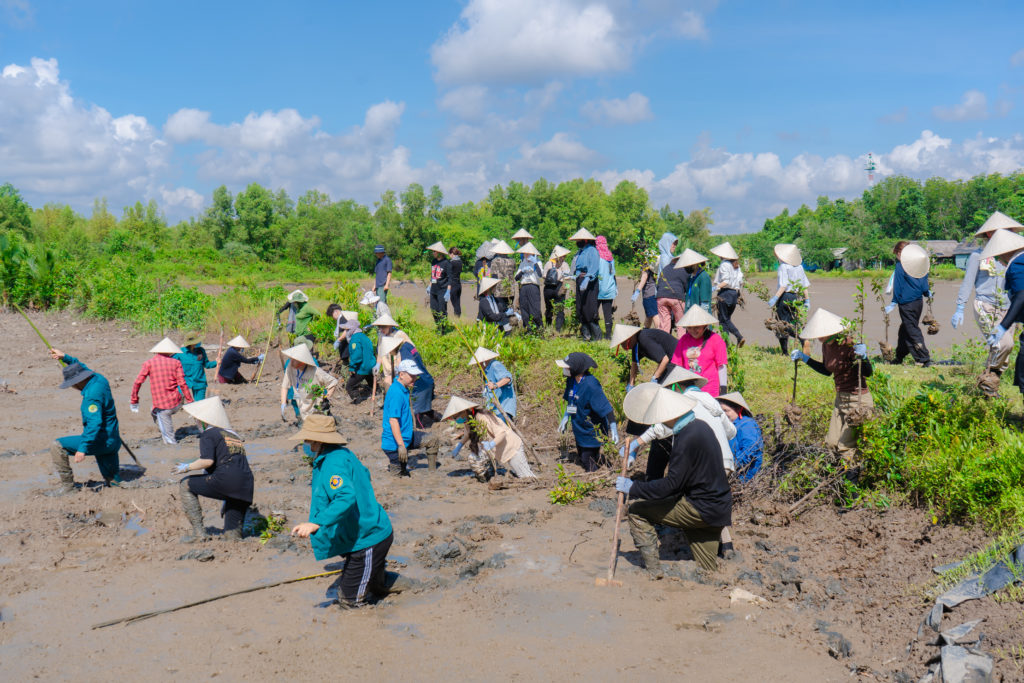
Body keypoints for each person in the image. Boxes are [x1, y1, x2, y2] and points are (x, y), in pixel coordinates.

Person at [290, 414, 408, 609]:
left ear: (318, 441)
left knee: (349, 600)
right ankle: (389, 581)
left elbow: (345, 496)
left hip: (369, 539)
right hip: (365, 532)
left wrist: (316, 523)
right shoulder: (341, 454)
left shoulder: (332, 462)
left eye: (307, 440)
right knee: (375, 584)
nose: (305, 445)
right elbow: (365, 475)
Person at [617, 383, 731, 575]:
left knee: (637, 511)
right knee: (707, 572)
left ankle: (653, 572)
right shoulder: (698, 426)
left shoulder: (686, 438)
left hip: (700, 508)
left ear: (669, 416)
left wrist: (634, 487)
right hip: (718, 509)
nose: (658, 422)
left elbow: (671, 485)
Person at [790, 308, 873, 464]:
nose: (819, 337)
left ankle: (850, 485)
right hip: (840, 400)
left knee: (845, 447)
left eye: (822, 333)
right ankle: (836, 480)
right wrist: (805, 358)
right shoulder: (826, 345)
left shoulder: (849, 343)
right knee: (831, 444)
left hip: (858, 400)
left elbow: (868, 373)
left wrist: (865, 357)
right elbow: (827, 370)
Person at [952, 211, 1023, 391]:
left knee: (1006, 347)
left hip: (1009, 308)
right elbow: (968, 282)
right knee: (1002, 344)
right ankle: (989, 380)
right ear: (990, 234)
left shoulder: (1016, 257)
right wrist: (960, 306)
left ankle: (990, 381)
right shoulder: (978, 255)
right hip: (986, 305)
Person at [173, 396, 253, 542]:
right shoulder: (233, 435)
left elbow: (207, 461)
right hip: (245, 486)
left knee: (185, 484)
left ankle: (199, 534)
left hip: (227, 480)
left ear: (204, 421)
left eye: (197, 420)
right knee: (232, 538)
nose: (196, 422)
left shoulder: (208, 434)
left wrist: (186, 468)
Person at [48, 349, 123, 492]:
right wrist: (66, 357)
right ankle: (114, 482)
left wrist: (82, 449)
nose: (73, 387)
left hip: (102, 441)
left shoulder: (91, 396)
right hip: (113, 439)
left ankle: (68, 488)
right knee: (114, 484)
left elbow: (94, 424)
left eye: (72, 384)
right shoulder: (99, 379)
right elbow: (82, 367)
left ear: (79, 381)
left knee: (56, 446)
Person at [441, 397, 535, 482]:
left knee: (526, 477)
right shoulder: (469, 420)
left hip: (511, 447)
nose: (456, 419)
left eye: (456, 416)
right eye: (454, 418)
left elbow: (501, 433)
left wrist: (491, 444)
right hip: (495, 450)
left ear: (465, 411)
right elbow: (467, 435)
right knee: (474, 458)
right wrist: (458, 447)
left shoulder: (482, 417)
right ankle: (486, 479)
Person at [556, 352, 619, 471]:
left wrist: (614, 428)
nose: (564, 370)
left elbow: (606, 408)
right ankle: (596, 465)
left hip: (592, 431)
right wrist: (565, 417)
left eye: (566, 367)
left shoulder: (591, 385)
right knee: (582, 456)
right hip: (579, 428)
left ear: (576, 368)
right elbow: (571, 402)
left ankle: (596, 480)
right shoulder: (571, 381)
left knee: (587, 461)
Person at [981, 230, 1024, 398]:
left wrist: (1002, 326)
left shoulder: (1018, 264)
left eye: (998, 255)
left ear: (1006, 252)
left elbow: (1022, 296)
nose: (998, 260)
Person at [380, 359, 441, 476]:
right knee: (399, 477)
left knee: (432, 440)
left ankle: (432, 474)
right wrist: (401, 446)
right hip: (394, 444)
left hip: (407, 436)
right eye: (412, 376)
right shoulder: (396, 393)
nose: (415, 378)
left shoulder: (403, 387)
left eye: (416, 376)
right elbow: (393, 421)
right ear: (401, 374)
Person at [131, 337, 193, 445]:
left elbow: (137, 382)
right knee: (153, 411)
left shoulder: (149, 363)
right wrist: (190, 401)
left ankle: (169, 440)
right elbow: (182, 384)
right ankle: (165, 428)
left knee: (170, 441)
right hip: (177, 401)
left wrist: (134, 400)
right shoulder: (176, 363)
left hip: (163, 407)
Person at [885, 242, 932, 367]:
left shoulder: (901, 266)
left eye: (896, 254)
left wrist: (894, 301)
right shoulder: (918, 266)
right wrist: (927, 292)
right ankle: (899, 356)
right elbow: (924, 282)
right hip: (918, 302)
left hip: (906, 303)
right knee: (905, 329)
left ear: (900, 253)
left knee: (912, 330)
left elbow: (898, 285)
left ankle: (924, 358)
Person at [378, 333, 436, 427]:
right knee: (425, 409)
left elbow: (408, 369)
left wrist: (397, 374)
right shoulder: (408, 346)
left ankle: (419, 433)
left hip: (420, 385)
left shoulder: (404, 351)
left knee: (416, 416)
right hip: (426, 380)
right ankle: (443, 419)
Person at [670, 307, 729, 397]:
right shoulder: (684, 340)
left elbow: (721, 367)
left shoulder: (715, 340)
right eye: (690, 328)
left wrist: (723, 389)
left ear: (705, 325)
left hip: (709, 391)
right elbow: (677, 365)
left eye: (697, 327)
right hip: (688, 390)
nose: (693, 331)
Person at [280, 344, 340, 423]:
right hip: (301, 404)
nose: (291, 362)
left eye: (294, 360)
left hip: (316, 408)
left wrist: (326, 399)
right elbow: (285, 386)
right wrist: (283, 404)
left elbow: (333, 382)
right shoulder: (290, 368)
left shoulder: (315, 371)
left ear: (301, 362)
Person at [768, 243, 810, 354]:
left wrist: (775, 298)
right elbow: (804, 285)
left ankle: (785, 351)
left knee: (782, 324)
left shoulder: (783, 267)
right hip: (796, 297)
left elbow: (784, 285)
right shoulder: (799, 267)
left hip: (785, 296)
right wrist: (807, 300)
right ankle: (802, 338)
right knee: (793, 322)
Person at [610, 324, 677, 389]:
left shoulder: (644, 339)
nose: (623, 346)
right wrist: (631, 384)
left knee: (662, 388)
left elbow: (665, 359)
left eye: (624, 343)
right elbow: (634, 363)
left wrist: (654, 378)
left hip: (676, 357)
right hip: (669, 360)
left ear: (630, 337)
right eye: (621, 344)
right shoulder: (635, 344)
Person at [718, 392, 763, 482]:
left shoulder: (747, 425)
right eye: (721, 411)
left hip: (745, 478)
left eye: (726, 410)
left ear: (738, 409)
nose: (723, 414)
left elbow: (750, 451)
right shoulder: (729, 425)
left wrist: (730, 466)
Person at [469, 346, 517, 422]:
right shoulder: (485, 372)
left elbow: (507, 378)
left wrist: (495, 385)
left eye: (479, 363)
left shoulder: (495, 365)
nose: (478, 366)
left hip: (503, 408)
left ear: (483, 362)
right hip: (495, 410)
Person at [570, 228, 602, 341]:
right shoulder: (580, 252)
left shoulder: (592, 251)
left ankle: (597, 337)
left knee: (589, 310)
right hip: (580, 281)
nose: (577, 242)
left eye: (579, 240)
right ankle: (586, 335)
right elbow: (577, 268)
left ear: (585, 240)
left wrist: (588, 278)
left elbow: (594, 267)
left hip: (590, 283)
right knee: (580, 309)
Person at [710, 242, 745, 346]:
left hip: (725, 293)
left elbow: (726, 281)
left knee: (724, 319)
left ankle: (739, 336)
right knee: (724, 320)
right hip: (734, 294)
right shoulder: (736, 266)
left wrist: (715, 287)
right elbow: (740, 282)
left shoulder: (724, 264)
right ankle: (726, 344)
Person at [654, 233, 688, 333]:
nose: (674, 246)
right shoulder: (666, 258)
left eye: (675, 244)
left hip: (662, 293)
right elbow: (671, 275)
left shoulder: (669, 257)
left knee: (665, 323)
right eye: (673, 244)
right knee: (680, 323)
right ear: (667, 243)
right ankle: (681, 346)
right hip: (672, 293)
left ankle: (665, 345)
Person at [174, 332, 218, 401]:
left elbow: (207, 364)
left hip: (199, 381)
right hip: (185, 381)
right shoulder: (180, 353)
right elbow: (171, 364)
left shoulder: (201, 351)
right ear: (192, 343)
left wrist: (217, 362)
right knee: (178, 400)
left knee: (199, 404)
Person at [341, 319, 375, 403]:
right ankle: (376, 393)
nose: (346, 332)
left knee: (349, 386)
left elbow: (357, 356)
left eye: (347, 330)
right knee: (371, 381)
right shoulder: (363, 336)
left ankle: (357, 399)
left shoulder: (355, 339)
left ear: (352, 329)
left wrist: (352, 368)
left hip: (363, 367)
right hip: (371, 365)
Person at [515, 242, 544, 332]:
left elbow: (540, 275)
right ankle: (528, 329)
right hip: (524, 287)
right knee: (524, 309)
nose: (526, 255)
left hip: (533, 286)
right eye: (525, 253)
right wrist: (522, 271)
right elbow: (516, 278)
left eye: (528, 253)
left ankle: (539, 329)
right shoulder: (522, 263)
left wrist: (535, 264)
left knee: (535, 309)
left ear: (532, 253)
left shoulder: (537, 262)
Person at [594, 235, 618, 339]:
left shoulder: (597, 256)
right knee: (608, 314)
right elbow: (613, 274)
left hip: (599, 289)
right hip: (610, 289)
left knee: (594, 312)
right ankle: (608, 336)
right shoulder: (610, 257)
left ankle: (596, 334)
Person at [543, 245, 572, 331]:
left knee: (549, 308)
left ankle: (548, 326)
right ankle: (558, 329)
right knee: (560, 309)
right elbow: (567, 279)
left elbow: (544, 276)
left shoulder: (548, 263)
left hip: (548, 288)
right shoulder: (565, 264)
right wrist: (566, 289)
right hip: (559, 287)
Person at [632, 246, 660, 328]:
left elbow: (644, 277)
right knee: (649, 315)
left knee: (654, 314)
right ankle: (645, 332)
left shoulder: (646, 266)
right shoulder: (655, 266)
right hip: (655, 293)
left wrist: (637, 291)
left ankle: (661, 332)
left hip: (648, 294)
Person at [426, 241, 452, 331]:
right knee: (433, 309)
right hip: (434, 289)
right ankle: (438, 326)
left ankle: (443, 329)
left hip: (443, 290)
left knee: (442, 311)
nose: (433, 253)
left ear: (439, 252)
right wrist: (429, 286)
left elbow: (450, 278)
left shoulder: (446, 263)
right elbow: (432, 276)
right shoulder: (433, 261)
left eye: (434, 251)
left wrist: (448, 291)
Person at [488, 240, 517, 313]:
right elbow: (513, 272)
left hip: (499, 289)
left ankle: (502, 324)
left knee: (500, 310)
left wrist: (491, 289)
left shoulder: (495, 261)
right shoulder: (512, 261)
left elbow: (493, 276)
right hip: (510, 288)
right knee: (509, 308)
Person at [449, 247, 464, 317]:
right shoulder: (460, 262)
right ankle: (458, 316)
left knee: (454, 301)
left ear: (452, 254)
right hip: (458, 284)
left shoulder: (452, 262)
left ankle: (457, 316)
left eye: (449, 254)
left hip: (453, 284)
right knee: (457, 301)